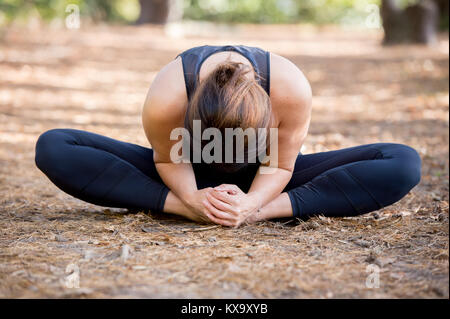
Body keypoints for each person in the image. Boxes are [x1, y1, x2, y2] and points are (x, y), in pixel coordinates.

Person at [35, 45, 422, 228]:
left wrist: (253, 205)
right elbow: (169, 158)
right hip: (184, 174)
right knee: (54, 146)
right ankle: (179, 207)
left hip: (268, 180)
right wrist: (190, 200)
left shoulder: (289, 87)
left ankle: (263, 211)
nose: (227, 158)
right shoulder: (169, 94)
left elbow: (281, 163)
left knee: (402, 162)